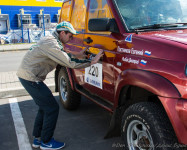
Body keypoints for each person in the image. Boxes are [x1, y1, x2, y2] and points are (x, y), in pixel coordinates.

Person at [17, 21, 103, 150]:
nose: (71, 38)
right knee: (52, 108)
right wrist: (92, 61)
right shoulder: (52, 43)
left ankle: (38, 138)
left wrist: (78, 54)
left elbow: (64, 53)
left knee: (44, 107)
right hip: (31, 78)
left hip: (28, 76)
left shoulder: (52, 40)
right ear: (62, 33)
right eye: (70, 36)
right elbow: (69, 62)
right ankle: (46, 142)